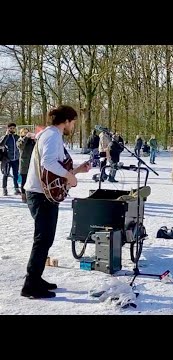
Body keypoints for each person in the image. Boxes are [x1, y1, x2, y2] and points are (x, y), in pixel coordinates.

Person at [21, 105, 91, 298]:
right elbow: (48, 163)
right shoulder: (52, 136)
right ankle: (30, 284)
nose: (73, 126)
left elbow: (54, 171)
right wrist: (70, 175)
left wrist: (76, 171)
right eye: (73, 122)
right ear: (66, 121)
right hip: (40, 195)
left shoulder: (51, 135)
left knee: (46, 239)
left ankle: (36, 278)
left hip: (43, 194)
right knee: (43, 239)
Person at [16, 128, 36, 202]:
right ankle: (24, 196)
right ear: (21, 133)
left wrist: (35, 140)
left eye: (27, 132)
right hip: (24, 164)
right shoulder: (19, 140)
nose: (26, 133)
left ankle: (30, 195)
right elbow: (21, 146)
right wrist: (26, 137)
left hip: (32, 164)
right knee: (24, 181)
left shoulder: (32, 141)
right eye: (24, 132)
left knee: (32, 181)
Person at [0, 122, 20, 196]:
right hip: (7, 159)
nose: (12, 129)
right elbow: (1, 144)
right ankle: (4, 189)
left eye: (13, 128)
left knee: (16, 174)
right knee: (6, 174)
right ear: (8, 129)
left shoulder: (17, 137)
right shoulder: (5, 137)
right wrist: (6, 135)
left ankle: (16, 189)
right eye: (10, 128)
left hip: (16, 159)